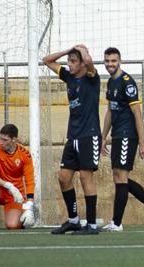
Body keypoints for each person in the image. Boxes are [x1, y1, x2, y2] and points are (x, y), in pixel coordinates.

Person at [99, 47, 144, 232]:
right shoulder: (111, 83)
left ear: (119, 61)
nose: (110, 64)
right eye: (107, 61)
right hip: (117, 135)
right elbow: (110, 112)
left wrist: (143, 141)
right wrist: (103, 137)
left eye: (113, 61)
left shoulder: (127, 82)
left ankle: (117, 223)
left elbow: (137, 113)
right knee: (119, 177)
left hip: (128, 135)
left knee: (121, 177)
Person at [43, 44, 101, 235]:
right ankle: (74, 220)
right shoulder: (68, 77)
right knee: (64, 177)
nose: (69, 64)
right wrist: (68, 50)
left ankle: (91, 225)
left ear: (83, 63)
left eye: (73, 61)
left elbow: (91, 63)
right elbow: (47, 60)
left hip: (89, 136)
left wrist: (83, 50)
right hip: (73, 137)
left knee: (85, 177)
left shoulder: (92, 78)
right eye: (69, 61)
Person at [0, 124, 35, 230]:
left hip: (15, 195)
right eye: (0, 138)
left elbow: (30, 180)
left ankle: (22, 213)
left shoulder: (25, 154)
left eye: (5, 140)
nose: (1, 142)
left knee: (12, 226)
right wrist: (7, 185)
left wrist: (30, 205)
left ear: (14, 140)